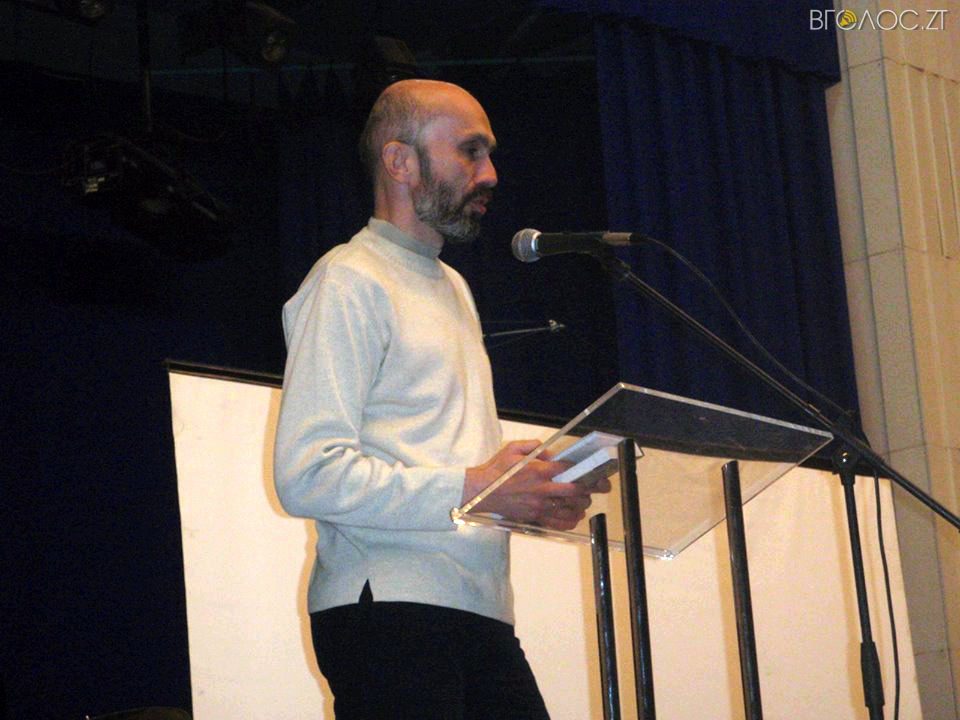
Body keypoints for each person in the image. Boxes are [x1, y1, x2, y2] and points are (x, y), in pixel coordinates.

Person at [273, 79, 604, 719]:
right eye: (471, 151)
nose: (491, 173)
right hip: (389, 610)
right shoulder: (349, 279)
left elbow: (448, 465)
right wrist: (477, 486)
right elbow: (307, 473)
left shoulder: (453, 286)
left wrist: (526, 497)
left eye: (489, 154)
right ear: (400, 161)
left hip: (479, 610)